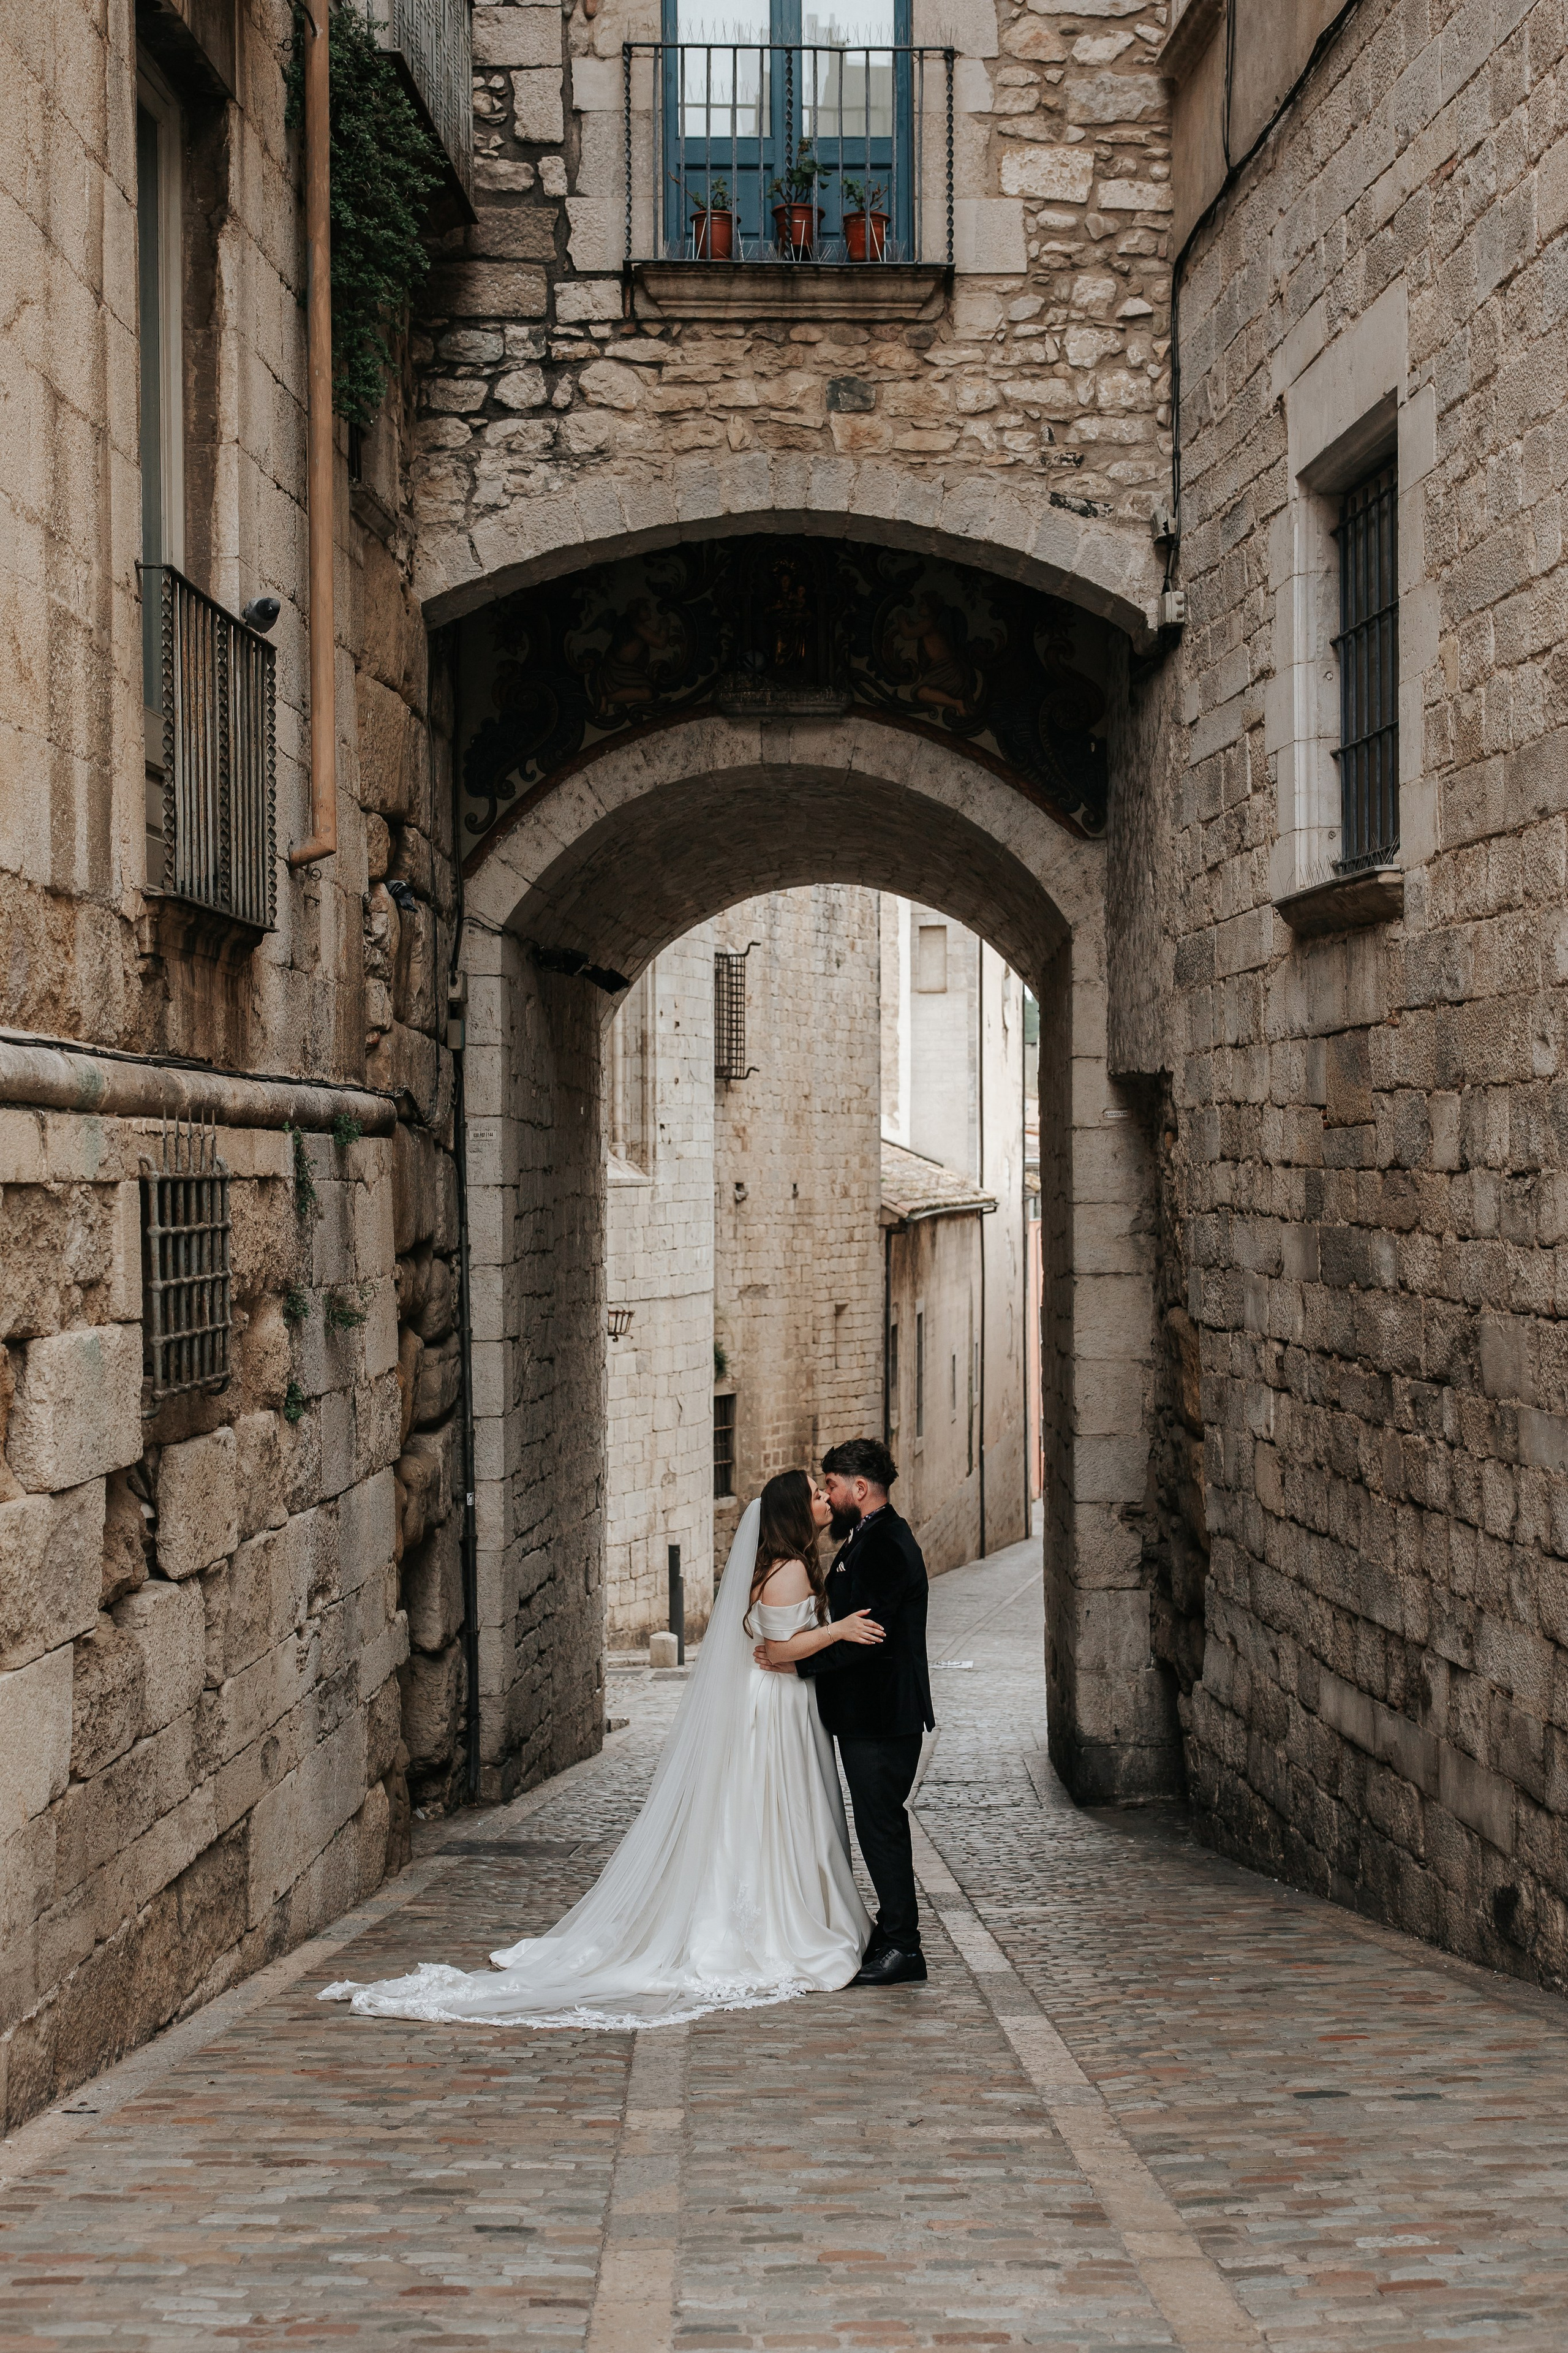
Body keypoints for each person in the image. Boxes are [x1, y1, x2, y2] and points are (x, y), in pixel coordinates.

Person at [318, 1471, 883, 2030]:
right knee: (771, 1813)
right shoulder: (786, 1571)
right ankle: (781, 1924)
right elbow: (780, 1650)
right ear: (793, 1511)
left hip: (780, 1701)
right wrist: (838, 1631)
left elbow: (772, 1649)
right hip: (776, 1708)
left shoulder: (785, 1564)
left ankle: (790, 1909)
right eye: (813, 1493)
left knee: (771, 1815)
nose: (823, 1499)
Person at [756, 1437, 933, 1985]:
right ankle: (890, 1928)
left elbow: (868, 1635)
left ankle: (905, 1946)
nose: (828, 1497)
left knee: (881, 1826)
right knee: (874, 1823)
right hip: (865, 1718)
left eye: (831, 1485)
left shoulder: (884, 1545)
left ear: (860, 1488)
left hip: (881, 1718)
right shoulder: (865, 1537)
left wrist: (796, 1663)